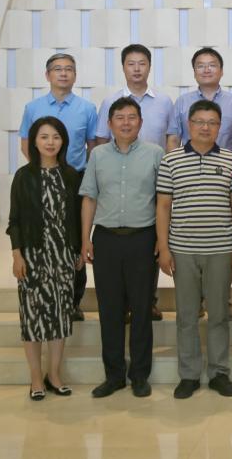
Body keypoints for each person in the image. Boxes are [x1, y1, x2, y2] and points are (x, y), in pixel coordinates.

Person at [156, 100, 232, 399]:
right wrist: (164, 248)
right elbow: (163, 206)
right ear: (188, 125)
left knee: (219, 313)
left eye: (212, 123)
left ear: (220, 127)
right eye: (199, 122)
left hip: (220, 249)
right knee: (186, 315)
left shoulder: (231, 161)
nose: (205, 127)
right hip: (183, 250)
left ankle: (219, 372)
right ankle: (189, 375)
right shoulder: (171, 161)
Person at [79, 97, 164, 398]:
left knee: (141, 309)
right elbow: (89, 197)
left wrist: (161, 238)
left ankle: (139, 375)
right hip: (106, 240)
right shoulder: (98, 155)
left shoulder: (155, 153)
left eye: (131, 117)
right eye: (119, 117)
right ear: (110, 123)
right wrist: (85, 238)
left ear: (141, 122)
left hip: (143, 239)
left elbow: (163, 201)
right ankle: (113, 375)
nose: (126, 123)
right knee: (110, 309)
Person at [95, 44, 174, 321]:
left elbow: (171, 139)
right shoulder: (110, 101)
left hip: (153, 177)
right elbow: (100, 141)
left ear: (150, 66)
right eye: (131, 63)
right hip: (119, 177)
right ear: (123, 67)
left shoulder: (164, 102)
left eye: (142, 63)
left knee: (150, 239)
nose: (137, 69)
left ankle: (147, 300)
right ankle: (124, 303)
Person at [7, 116, 82, 401]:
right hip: (33, 256)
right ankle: (36, 378)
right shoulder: (24, 177)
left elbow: (77, 219)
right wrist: (17, 255)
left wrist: (77, 250)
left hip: (63, 256)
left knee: (60, 316)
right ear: (34, 142)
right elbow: (14, 220)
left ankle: (54, 375)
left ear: (63, 141)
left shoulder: (71, 175)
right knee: (33, 318)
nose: (50, 142)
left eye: (56, 137)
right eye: (44, 137)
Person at [19, 52, 97, 322]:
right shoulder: (33, 108)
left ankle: (73, 300)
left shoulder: (87, 108)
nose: (63, 73)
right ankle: (43, 292)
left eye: (69, 69)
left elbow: (93, 147)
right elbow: (25, 144)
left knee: (75, 238)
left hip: (75, 182)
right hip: (41, 179)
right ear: (47, 74)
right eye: (57, 69)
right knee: (43, 236)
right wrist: (43, 170)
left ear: (75, 75)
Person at [167, 47, 232, 153]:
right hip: (189, 162)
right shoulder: (182, 102)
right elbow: (174, 139)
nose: (206, 70)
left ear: (221, 71)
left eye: (212, 65)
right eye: (200, 66)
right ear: (194, 73)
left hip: (224, 162)